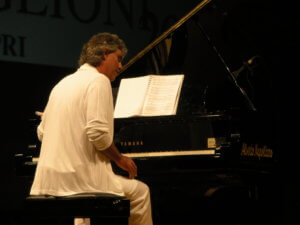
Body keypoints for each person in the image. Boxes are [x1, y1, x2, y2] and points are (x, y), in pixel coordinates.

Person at [30, 32, 153, 225]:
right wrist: (120, 159)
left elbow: (41, 133)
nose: (120, 66)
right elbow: (98, 134)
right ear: (105, 53)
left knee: (82, 207)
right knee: (141, 193)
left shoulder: (62, 84)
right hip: (79, 181)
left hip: (48, 181)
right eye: (119, 58)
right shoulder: (99, 81)